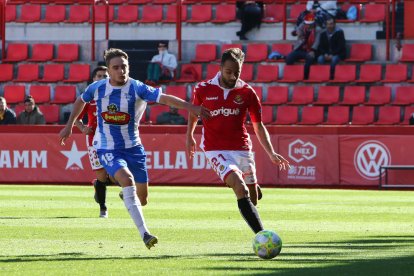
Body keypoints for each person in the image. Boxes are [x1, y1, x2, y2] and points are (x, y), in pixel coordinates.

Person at [59, 48, 210, 249]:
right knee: (126, 179)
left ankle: (126, 194)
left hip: (134, 148)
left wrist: (191, 107)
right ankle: (145, 233)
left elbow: (164, 98)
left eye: (124, 66)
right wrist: (70, 125)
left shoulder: (137, 87)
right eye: (116, 67)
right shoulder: (97, 88)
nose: (121, 71)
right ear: (109, 71)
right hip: (107, 147)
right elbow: (81, 101)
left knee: (143, 199)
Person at [186, 48, 290, 235]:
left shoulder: (247, 92)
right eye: (229, 72)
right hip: (214, 148)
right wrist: (190, 136)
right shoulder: (203, 88)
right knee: (238, 186)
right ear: (220, 68)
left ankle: (253, 187)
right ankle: (262, 236)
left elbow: (258, 126)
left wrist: (271, 152)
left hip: (241, 148)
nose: (233, 76)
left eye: (237, 72)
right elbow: (194, 112)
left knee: (253, 198)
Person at [74, 65, 112, 218]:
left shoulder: (117, 95)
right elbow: (76, 117)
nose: (103, 78)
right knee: (102, 175)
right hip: (94, 140)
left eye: (105, 76)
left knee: (119, 172)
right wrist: (82, 128)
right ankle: (103, 207)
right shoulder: (89, 99)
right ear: (94, 79)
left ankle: (101, 187)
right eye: (99, 76)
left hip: (115, 139)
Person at [286, 13, 320, 80]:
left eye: (309, 24)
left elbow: (317, 41)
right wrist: (296, 33)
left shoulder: (317, 29)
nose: (307, 25)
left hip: (310, 50)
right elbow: (296, 32)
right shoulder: (302, 26)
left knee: (310, 58)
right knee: (289, 58)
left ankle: (305, 76)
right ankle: (292, 75)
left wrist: (313, 50)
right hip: (300, 48)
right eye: (306, 24)